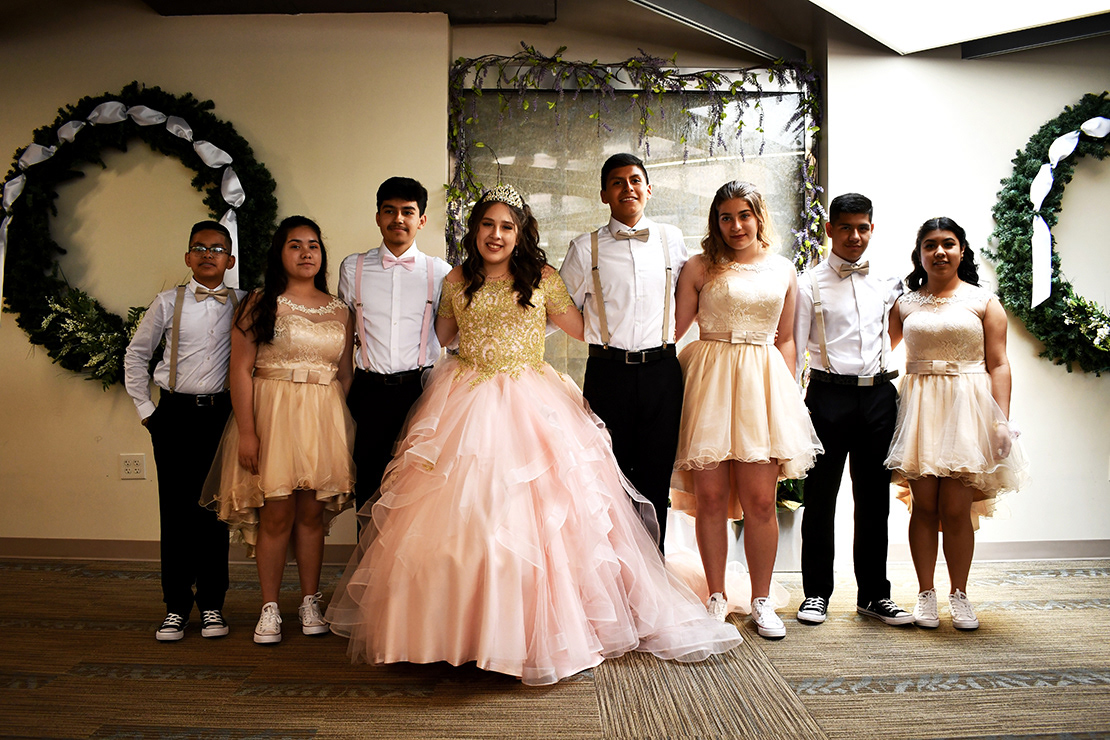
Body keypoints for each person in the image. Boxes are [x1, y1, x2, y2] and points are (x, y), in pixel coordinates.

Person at [326, 185, 742, 685]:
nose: (496, 235)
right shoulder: (455, 279)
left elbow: (583, 326)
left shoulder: (542, 277)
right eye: (487, 225)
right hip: (465, 402)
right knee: (461, 518)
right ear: (474, 230)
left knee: (540, 520)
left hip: (531, 398)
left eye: (507, 227)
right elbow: (443, 336)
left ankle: (524, 634)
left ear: (520, 234)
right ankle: (453, 632)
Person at [670, 181, 822, 639]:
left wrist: (788, 394)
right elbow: (672, 330)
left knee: (760, 501)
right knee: (711, 498)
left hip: (762, 383)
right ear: (715, 222)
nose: (736, 226)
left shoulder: (783, 269)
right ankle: (715, 596)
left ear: (759, 217)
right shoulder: (699, 266)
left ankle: (761, 600)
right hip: (710, 380)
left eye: (744, 216)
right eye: (726, 217)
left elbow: (787, 339)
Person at [202, 216, 356, 645]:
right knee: (277, 512)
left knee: (311, 514)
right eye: (295, 245)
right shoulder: (259, 302)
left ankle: (309, 601)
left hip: (321, 421)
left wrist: (328, 414)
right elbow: (240, 369)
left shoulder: (340, 309)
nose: (306, 253)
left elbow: (345, 373)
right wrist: (248, 432)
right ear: (279, 253)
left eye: (313, 245)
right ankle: (269, 607)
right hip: (272, 416)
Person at [885, 217, 1027, 630]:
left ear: (962, 251)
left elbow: (999, 364)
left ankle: (960, 594)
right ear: (920, 254)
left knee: (955, 508)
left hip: (968, 408)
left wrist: (1001, 421)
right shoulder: (905, 304)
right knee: (924, 505)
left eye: (948, 243)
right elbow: (875, 349)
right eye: (930, 245)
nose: (940, 252)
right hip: (921, 408)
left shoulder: (983, 302)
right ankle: (925, 593)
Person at [793, 193, 914, 628]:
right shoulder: (807, 284)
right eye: (845, 227)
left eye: (862, 227)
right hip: (827, 395)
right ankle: (816, 593)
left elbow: (891, 335)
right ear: (830, 229)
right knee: (820, 500)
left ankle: (874, 595)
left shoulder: (889, 281)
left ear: (872, 228)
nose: (855, 236)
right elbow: (795, 347)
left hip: (879, 397)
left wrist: (873, 370)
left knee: (874, 501)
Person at [560, 153, 688, 550]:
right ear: (604, 194)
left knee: (656, 475)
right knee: (610, 476)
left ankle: (654, 569)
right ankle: (615, 572)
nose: (627, 188)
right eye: (617, 182)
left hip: (662, 373)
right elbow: (557, 307)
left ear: (649, 189)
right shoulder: (585, 248)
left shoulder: (671, 240)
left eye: (634, 180)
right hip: (608, 374)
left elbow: (688, 298)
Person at [124, 221, 244, 641]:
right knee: (175, 511)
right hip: (174, 414)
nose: (209, 254)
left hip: (222, 415)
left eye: (217, 249)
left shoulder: (244, 303)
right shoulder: (166, 302)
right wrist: (147, 411)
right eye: (200, 247)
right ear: (188, 257)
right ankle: (175, 606)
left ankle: (212, 604)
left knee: (215, 511)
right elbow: (136, 355)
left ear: (230, 260)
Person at [338, 178, 451, 518]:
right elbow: (344, 329)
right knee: (368, 487)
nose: (398, 219)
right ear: (378, 217)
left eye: (407, 212)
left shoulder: (440, 272)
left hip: (420, 392)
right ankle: (366, 554)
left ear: (422, 220)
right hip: (368, 392)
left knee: (417, 491)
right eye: (390, 211)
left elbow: (451, 333)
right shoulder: (353, 268)